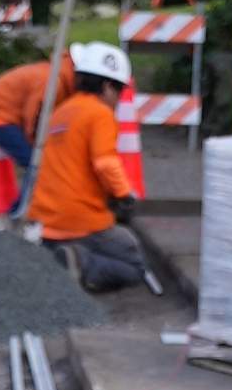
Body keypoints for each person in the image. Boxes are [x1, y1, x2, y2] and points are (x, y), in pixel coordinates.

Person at [30, 40, 149, 290]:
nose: (118, 100)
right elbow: (105, 163)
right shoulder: (100, 114)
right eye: (119, 91)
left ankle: (57, 257)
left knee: (110, 241)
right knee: (134, 265)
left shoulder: (62, 112)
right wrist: (124, 194)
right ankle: (81, 263)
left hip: (47, 221)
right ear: (107, 87)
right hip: (80, 219)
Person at [0, 49, 55, 201]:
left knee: (36, 161)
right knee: (35, 163)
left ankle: (18, 207)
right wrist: (34, 141)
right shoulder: (51, 79)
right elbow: (33, 114)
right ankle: (23, 209)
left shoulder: (50, 72)